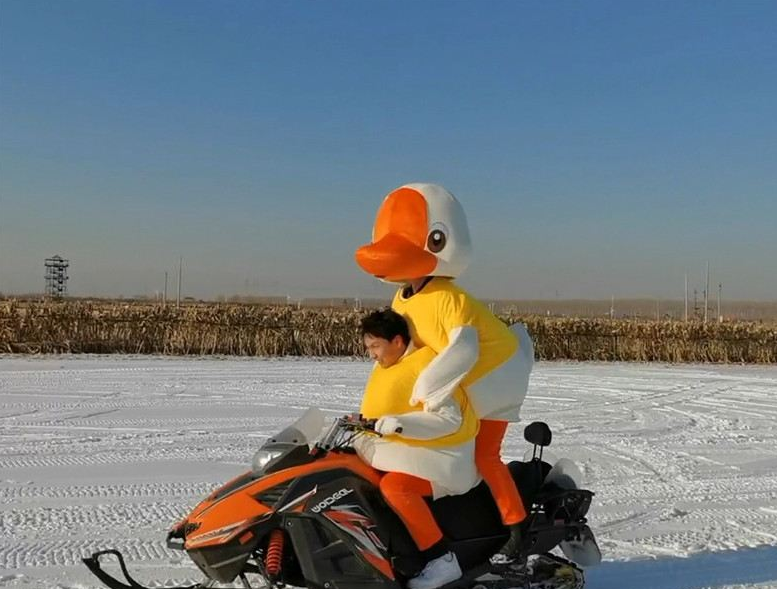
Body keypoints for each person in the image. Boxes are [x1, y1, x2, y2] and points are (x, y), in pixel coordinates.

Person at [355, 183, 535, 559]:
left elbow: (463, 348)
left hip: (493, 379)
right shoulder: (402, 298)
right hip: (459, 385)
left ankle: (516, 527)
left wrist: (427, 388)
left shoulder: (451, 298)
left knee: (484, 456)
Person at [357, 309, 479, 589]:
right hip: (410, 452)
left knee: (396, 488)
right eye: (368, 348)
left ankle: (441, 559)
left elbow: (448, 419)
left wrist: (400, 424)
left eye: (376, 346)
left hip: (443, 457)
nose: (372, 355)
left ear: (398, 341)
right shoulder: (387, 367)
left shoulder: (427, 366)